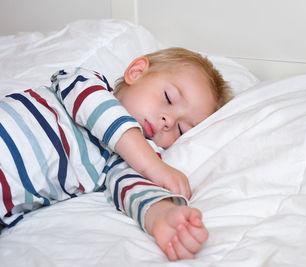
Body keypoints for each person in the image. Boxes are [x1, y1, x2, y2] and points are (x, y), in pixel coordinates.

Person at [0, 47, 232, 260]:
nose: (168, 121)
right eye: (168, 98)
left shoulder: (125, 159)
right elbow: (93, 106)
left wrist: (162, 216)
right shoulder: (86, 84)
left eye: (181, 129)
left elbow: (133, 188)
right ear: (136, 72)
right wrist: (152, 164)